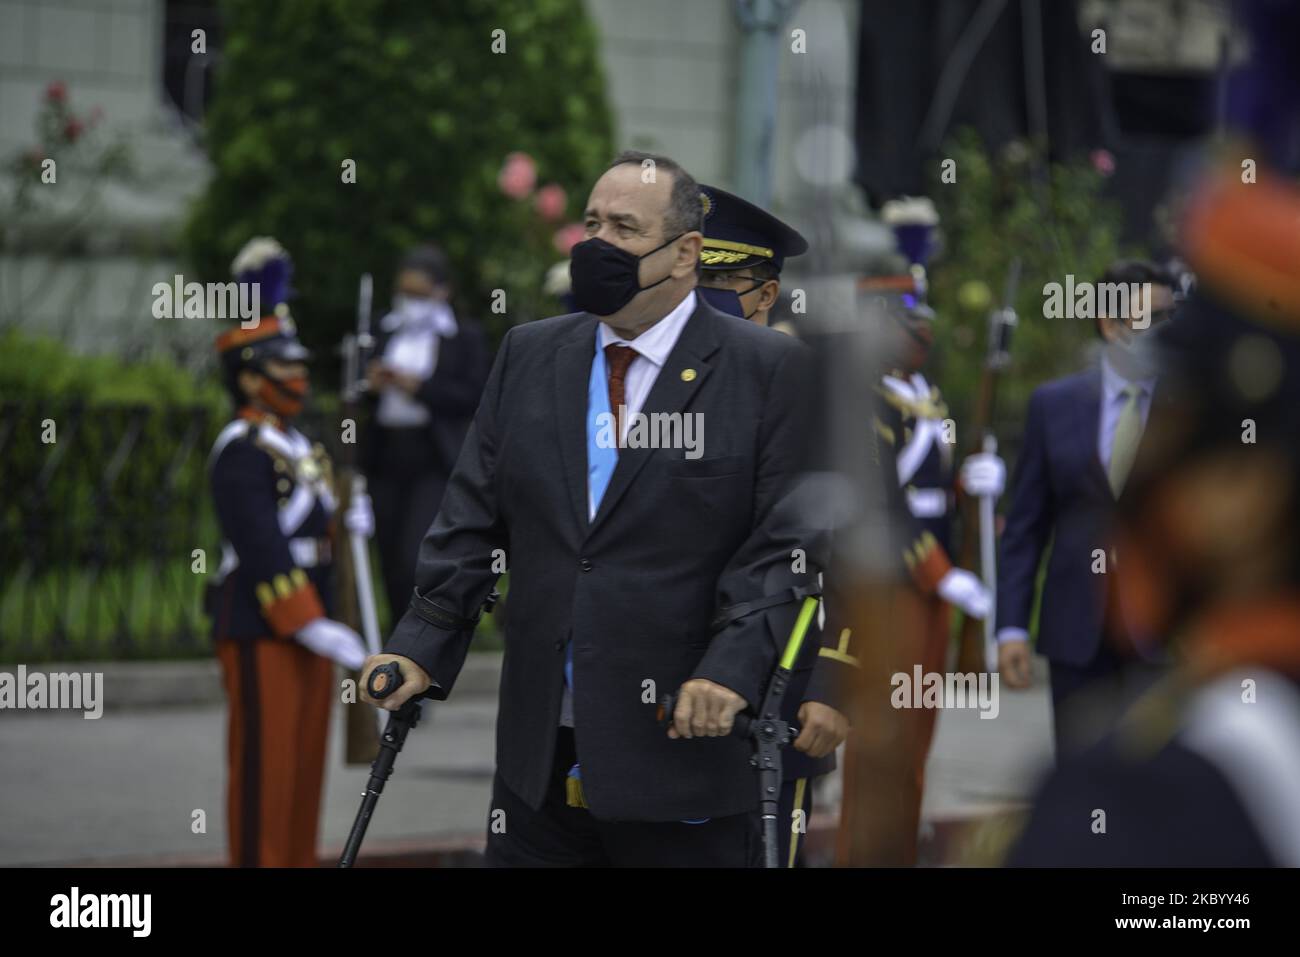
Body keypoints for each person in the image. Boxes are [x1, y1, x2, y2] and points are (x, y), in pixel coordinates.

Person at [357, 150, 843, 867]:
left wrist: (730, 671)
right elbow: (471, 518)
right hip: (537, 767)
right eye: (591, 223)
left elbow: (784, 546)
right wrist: (421, 640)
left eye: (623, 227)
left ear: (685, 254)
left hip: (683, 760)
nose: (598, 245)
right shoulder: (530, 354)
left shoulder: (766, 371)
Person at [1009, 163, 1300, 865]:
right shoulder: (1058, 402)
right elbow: (1028, 525)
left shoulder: (1157, 799)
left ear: (1245, 486)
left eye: (1173, 414)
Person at [695, 183, 849, 866]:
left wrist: (832, 684)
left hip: (779, 687)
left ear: (766, 292)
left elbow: (854, 555)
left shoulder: (815, 393)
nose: (709, 293)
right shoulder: (652, 384)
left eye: (727, 278)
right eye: (699, 276)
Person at [206, 237, 369, 867]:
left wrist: (347, 516)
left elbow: (312, 534)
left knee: (302, 773)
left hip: (313, 624)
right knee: (264, 775)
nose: (298, 376)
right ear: (249, 376)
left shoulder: (299, 446)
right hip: (264, 625)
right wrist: (308, 624)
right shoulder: (240, 449)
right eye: (283, 365)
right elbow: (262, 546)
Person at [996, 260, 1177, 756]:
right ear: (1111, 322)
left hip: (1166, 635)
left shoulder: (1186, 408)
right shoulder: (1053, 405)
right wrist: (1011, 625)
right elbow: (1026, 528)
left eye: (1171, 316)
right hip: (1077, 632)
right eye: (1153, 317)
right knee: (1085, 786)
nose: (1167, 331)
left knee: (1162, 789)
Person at [362, 245, 490, 627]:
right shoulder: (382, 329)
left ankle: (421, 634)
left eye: (419, 295)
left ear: (442, 291)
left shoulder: (462, 336)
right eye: (404, 293)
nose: (409, 303)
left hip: (433, 456)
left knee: (414, 551)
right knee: (386, 551)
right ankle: (394, 638)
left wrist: (416, 386)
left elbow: (472, 395)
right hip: (386, 453)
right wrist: (371, 385)